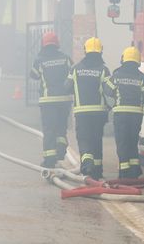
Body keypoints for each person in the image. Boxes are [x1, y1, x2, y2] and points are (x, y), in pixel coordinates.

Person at [103, 46, 144, 179]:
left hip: (120, 115)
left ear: (123, 59)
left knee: (122, 142)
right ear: (137, 61)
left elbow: (107, 90)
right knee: (132, 141)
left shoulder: (117, 75)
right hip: (136, 115)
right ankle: (134, 170)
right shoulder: (142, 78)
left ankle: (124, 172)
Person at [66, 37, 111, 179]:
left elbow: (66, 87)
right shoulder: (104, 70)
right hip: (99, 113)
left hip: (82, 112)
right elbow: (109, 92)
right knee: (96, 139)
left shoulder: (75, 69)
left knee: (84, 139)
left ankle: (87, 164)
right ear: (100, 51)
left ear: (85, 50)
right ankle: (97, 171)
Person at [29, 31, 73, 168]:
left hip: (48, 101)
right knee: (61, 128)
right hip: (64, 100)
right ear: (57, 44)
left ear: (43, 44)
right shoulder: (66, 58)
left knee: (49, 130)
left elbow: (34, 75)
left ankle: (49, 161)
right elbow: (73, 73)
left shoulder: (39, 60)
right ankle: (60, 150)